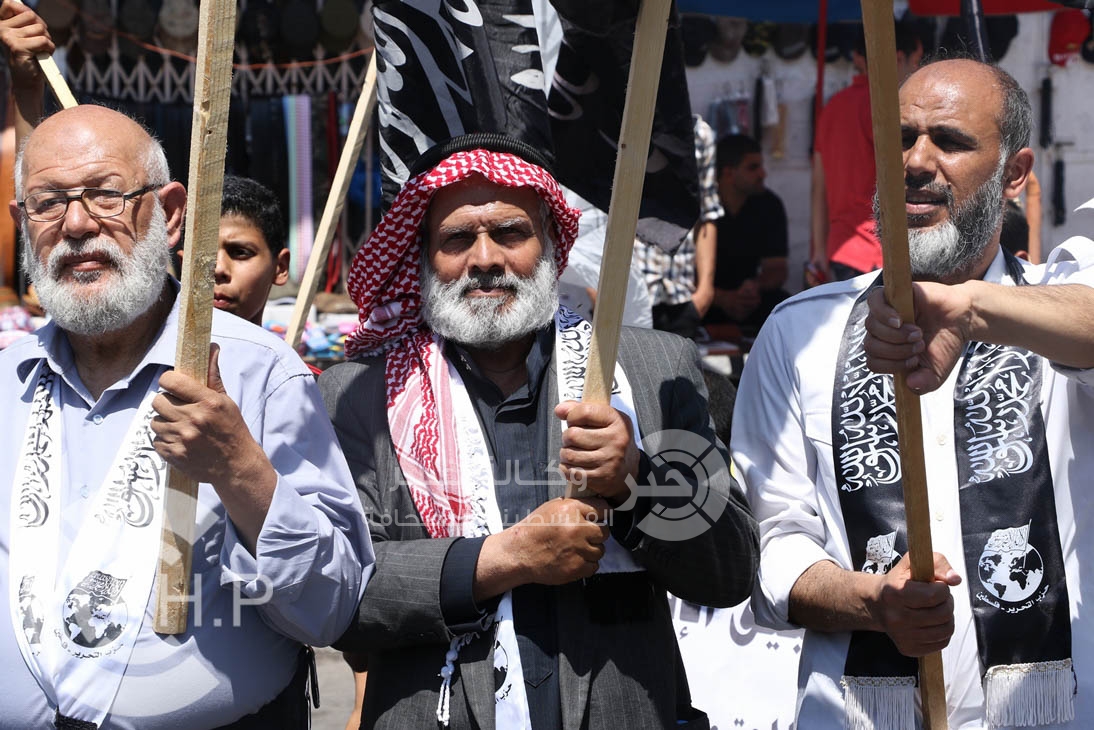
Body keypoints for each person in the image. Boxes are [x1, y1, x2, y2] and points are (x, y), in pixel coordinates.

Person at [319, 132, 758, 729]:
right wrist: (504, 559)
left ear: (551, 245)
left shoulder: (653, 370)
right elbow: (331, 595)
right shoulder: (357, 396)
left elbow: (732, 570)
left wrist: (637, 481)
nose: (484, 259)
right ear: (422, 258)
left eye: (509, 233)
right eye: (456, 239)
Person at [733, 58, 1094, 729]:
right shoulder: (799, 334)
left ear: (1016, 174)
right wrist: (875, 602)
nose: (916, 162)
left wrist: (976, 310)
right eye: (898, 138)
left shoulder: (1058, 311)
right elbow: (773, 545)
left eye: (950, 141)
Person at [2, 104, 374, 728]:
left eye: (105, 196)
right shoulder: (8, 377)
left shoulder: (261, 373)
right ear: (21, 223)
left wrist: (239, 470)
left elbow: (330, 609)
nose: (74, 224)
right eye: (47, 202)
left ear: (172, 215)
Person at [808, 21, 923, 285]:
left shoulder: (833, 107)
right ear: (898, 58)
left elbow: (818, 187)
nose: (917, 71)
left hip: (840, 250)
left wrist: (819, 252)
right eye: (915, 62)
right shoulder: (888, 108)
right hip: (878, 252)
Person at [634, 114, 721, 339]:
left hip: (681, 296)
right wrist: (596, 288)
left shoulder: (699, 133)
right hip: (628, 291)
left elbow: (707, 214)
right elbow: (595, 211)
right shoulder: (619, 123)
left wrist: (705, 292)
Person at [705, 134, 788, 335]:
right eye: (753, 168)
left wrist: (754, 287)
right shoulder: (700, 206)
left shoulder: (769, 204)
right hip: (707, 299)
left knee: (785, 308)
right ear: (728, 173)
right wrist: (722, 298)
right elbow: (679, 278)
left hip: (751, 299)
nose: (763, 174)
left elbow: (777, 268)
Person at [212, 175, 290, 327]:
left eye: (240, 252)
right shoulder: (155, 350)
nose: (218, 269)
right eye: (204, 255)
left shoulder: (278, 352)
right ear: (183, 264)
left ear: (280, 267)